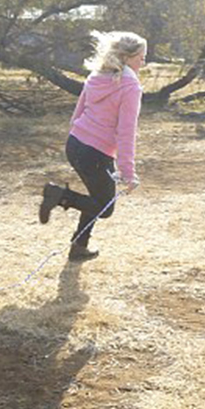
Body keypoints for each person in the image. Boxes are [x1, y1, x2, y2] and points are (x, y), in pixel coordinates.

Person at [39, 30, 146, 261]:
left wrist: (80, 137)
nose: (143, 61)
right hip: (94, 153)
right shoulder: (131, 87)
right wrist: (128, 173)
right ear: (126, 57)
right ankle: (58, 195)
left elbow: (77, 113)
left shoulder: (96, 76)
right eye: (141, 56)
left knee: (95, 198)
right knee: (105, 207)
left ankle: (79, 247)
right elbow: (126, 132)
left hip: (75, 144)